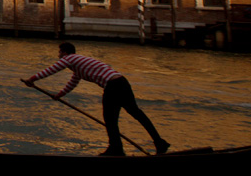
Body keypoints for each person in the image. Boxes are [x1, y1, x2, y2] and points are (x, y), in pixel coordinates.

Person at [23, 42, 168, 156]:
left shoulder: (70, 58)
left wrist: (32, 79)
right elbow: (73, 82)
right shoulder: (78, 66)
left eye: (60, 52)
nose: (59, 56)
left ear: (65, 52)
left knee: (110, 119)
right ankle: (159, 142)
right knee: (136, 113)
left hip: (112, 86)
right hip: (122, 83)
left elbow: (51, 70)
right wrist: (59, 95)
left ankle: (116, 149)